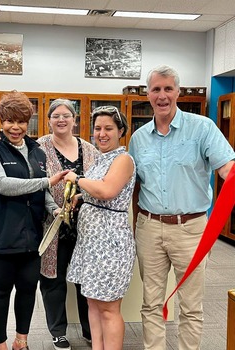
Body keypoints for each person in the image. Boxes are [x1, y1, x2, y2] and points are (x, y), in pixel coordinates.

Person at [128, 65, 235, 350]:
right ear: (147, 94)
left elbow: (227, 168)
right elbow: (133, 186)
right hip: (149, 228)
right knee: (151, 302)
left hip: (191, 229)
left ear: (178, 92)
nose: (162, 95)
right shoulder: (138, 139)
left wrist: (231, 173)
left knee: (191, 305)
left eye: (168, 89)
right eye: (156, 89)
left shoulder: (202, 129)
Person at [0, 90, 68, 350]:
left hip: (31, 235)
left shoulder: (36, 151)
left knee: (27, 289)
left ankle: (21, 341)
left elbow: (43, 191)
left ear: (29, 122)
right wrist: (47, 181)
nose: (16, 127)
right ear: (0, 120)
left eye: (22, 121)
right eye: (10, 121)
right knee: (0, 291)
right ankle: (0, 343)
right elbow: (0, 184)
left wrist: (54, 208)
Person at [64, 105, 136, 350]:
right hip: (91, 244)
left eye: (108, 128)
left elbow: (106, 190)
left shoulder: (123, 159)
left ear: (121, 131)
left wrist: (77, 179)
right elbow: (97, 191)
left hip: (110, 244)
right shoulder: (100, 159)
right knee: (92, 303)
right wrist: (81, 197)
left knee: (108, 308)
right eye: (97, 128)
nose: (102, 133)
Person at [37, 99, 98, 350]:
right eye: (55, 116)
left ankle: (89, 329)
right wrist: (54, 209)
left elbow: (98, 181)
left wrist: (82, 197)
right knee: (54, 280)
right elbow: (36, 183)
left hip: (86, 226)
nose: (61, 120)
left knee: (87, 280)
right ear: (49, 120)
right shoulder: (39, 147)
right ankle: (58, 331)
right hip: (53, 224)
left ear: (74, 119)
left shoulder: (89, 149)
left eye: (66, 115)